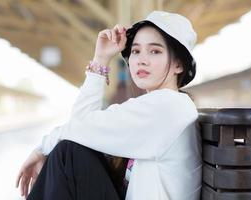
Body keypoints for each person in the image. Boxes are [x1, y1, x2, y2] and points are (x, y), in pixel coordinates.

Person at [16, 10, 202, 200]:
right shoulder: (168, 106)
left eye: (155, 51)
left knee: (68, 154)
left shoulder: (168, 107)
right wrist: (101, 59)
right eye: (136, 51)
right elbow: (80, 128)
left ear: (179, 64)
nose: (141, 60)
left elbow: (80, 126)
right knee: (71, 151)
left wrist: (41, 148)